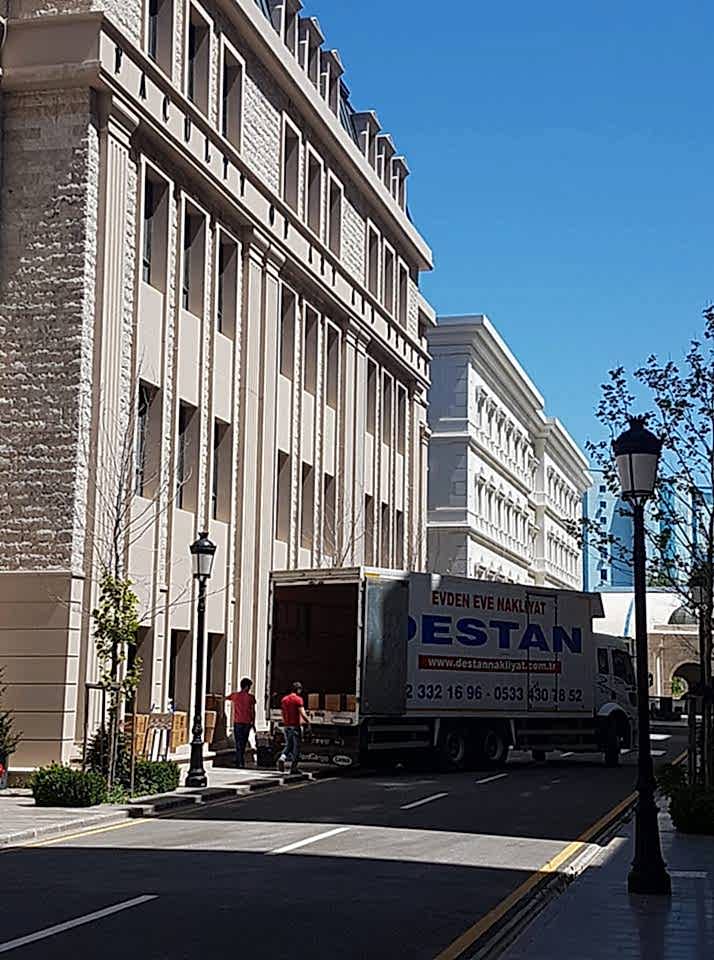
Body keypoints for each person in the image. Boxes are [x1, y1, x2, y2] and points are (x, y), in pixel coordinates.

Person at [278, 681, 310, 774]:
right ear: (298, 690)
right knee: (296, 747)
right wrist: (308, 722)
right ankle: (293, 768)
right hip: (295, 726)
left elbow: (282, 713)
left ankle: (282, 758)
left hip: (286, 726)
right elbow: (302, 713)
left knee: (289, 745)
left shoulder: (284, 699)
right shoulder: (298, 699)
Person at [225, 678, 256, 768]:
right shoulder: (251, 697)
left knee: (238, 742)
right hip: (247, 722)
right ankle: (240, 760)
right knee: (243, 742)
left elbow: (225, 698)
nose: (249, 689)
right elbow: (253, 711)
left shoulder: (235, 695)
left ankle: (239, 760)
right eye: (249, 687)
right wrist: (253, 723)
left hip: (238, 722)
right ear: (246, 687)